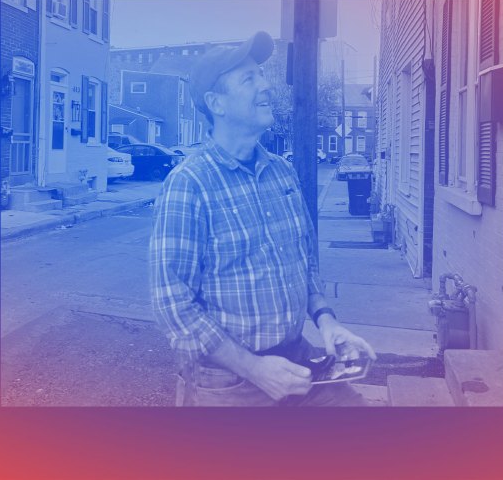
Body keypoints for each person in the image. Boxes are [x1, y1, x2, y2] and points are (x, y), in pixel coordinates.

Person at [149, 31, 376, 406]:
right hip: (228, 382)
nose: (266, 85)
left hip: (297, 360)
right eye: (249, 78)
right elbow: (174, 305)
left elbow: (303, 263)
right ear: (216, 103)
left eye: (262, 75)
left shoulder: (282, 175)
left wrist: (326, 322)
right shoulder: (189, 184)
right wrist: (254, 369)